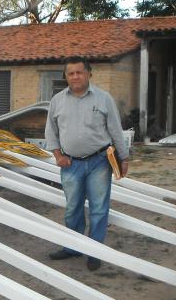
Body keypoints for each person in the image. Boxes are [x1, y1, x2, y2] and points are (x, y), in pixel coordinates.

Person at [44, 56, 129, 271]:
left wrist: (124, 157)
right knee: (72, 208)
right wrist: (58, 156)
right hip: (70, 164)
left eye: (79, 72)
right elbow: (50, 131)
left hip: (100, 162)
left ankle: (94, 251)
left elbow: (116, 130)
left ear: (89, 73)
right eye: (70, 73)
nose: (75, 77)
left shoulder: (104, 98)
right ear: (65, 76)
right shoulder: (57, 101)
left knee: (99, 209)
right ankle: (73, 247)